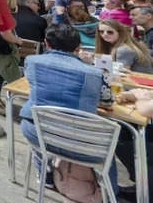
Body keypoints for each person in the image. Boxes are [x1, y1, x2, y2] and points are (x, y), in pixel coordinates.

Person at [20, 24, 118, 195]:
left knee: (34, 121)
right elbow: (107, 101)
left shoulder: (32, 61)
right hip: (82, 143)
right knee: (109, 146)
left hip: (38, 133)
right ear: (78, 47)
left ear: (46, 43)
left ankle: (45, 174)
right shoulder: (95, 73)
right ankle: (111, 193)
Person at [86, 19, 153, 74]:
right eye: (101, 32)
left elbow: (121, 74)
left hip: (140, 84)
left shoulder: (124, 49)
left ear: (120, 33)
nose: (105, 34)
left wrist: (93, 61)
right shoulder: (112, 46)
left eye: (110, 32)